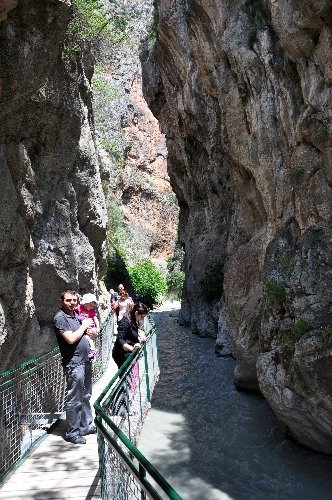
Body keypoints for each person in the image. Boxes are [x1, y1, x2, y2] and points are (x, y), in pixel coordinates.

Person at [54, 290, 97, 444]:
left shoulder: (75, 316)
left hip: (85, 360)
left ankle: (86, 425)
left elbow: (86, 334)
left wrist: (92, 332)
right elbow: (71, 338)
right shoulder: (60, 318)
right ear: (61, 301)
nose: (72, 303)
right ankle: (72, 432)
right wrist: (84, 324)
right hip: (74, 363)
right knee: (75, 398)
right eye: (68, 300)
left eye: (74, 300)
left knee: (85, 395)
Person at [112, 302, 148, 368]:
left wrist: (141, 335)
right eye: (142, 316)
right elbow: (120, 339)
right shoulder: (125, 322)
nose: (142, 319)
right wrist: (132, 348)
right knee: (127, 376)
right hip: (121, 354)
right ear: (136, 313)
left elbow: (133, 331)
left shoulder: (133, 319)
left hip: (129, 353)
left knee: (133, 376)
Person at [76, 293, 100, 360]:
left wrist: (98, 327)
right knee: (86, 338)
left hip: (91, 327)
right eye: (90, 305)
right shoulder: (79, 308)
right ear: (85, 303)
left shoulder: (92, 311)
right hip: (84, 327)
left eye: (93, 306)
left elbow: (95, 319)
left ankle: (92, 350)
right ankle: (92, 350)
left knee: (89, 337)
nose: (92, 307)